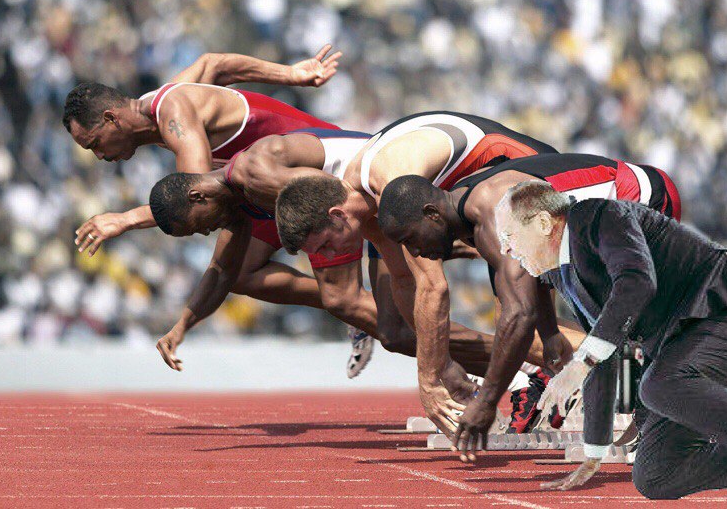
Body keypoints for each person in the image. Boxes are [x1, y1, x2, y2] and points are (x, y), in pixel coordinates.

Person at [451, 180, 727, 508]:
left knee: (659, 385)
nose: (505, 249)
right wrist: (594, 451)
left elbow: (637, 282)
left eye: (508, 235)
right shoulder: (564, 274)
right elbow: (606, 353)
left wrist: (580, 364)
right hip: (687, 342)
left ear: (543, 222)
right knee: (656, 475)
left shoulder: (599, 216)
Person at [147, 128, 552, 392]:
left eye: (196, 227)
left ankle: (529, 365)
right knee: (393, 332)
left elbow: (338, 201)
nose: (204, 233)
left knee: (352, 300)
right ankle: (516, 369)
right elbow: (222, 271)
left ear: (197, 197)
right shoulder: (237, 207)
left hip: (379, 200)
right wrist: (182, 326)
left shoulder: (255, 175)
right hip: (368, 210)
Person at [63, 45, 372, 376]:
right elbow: (215, 65)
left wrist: (125, 219)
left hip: (311, 175)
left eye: (94, 143)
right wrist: (290, 74)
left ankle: (362, 311)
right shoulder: (162, 103)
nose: (98, 155)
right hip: (265, 192)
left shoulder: (173, 112)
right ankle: (357, 311)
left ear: (111, 119)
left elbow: (193, 193)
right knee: (241, 274)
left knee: (345, 300)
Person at [273, 111, 582, 432]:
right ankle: (580, 375)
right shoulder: (365, 202)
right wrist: (442, 364)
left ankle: (610, 377)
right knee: (517, 324)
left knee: (523, 326)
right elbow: (404, 280)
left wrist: (430, 381)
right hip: (490, 191)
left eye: (325, 245)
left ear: (337, 215)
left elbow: (433, 288)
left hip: (527, 175)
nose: (331, 256)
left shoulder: (389, 187)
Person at [375, 152, 680, 431]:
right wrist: (549, 333)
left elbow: (520, 314)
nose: (414, 251)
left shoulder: (493, 211)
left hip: (639, 194)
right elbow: (534, 271)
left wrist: (487, 401)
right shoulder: (469, 215)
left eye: (410, 238)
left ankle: (663, 415)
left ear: (432, 214)